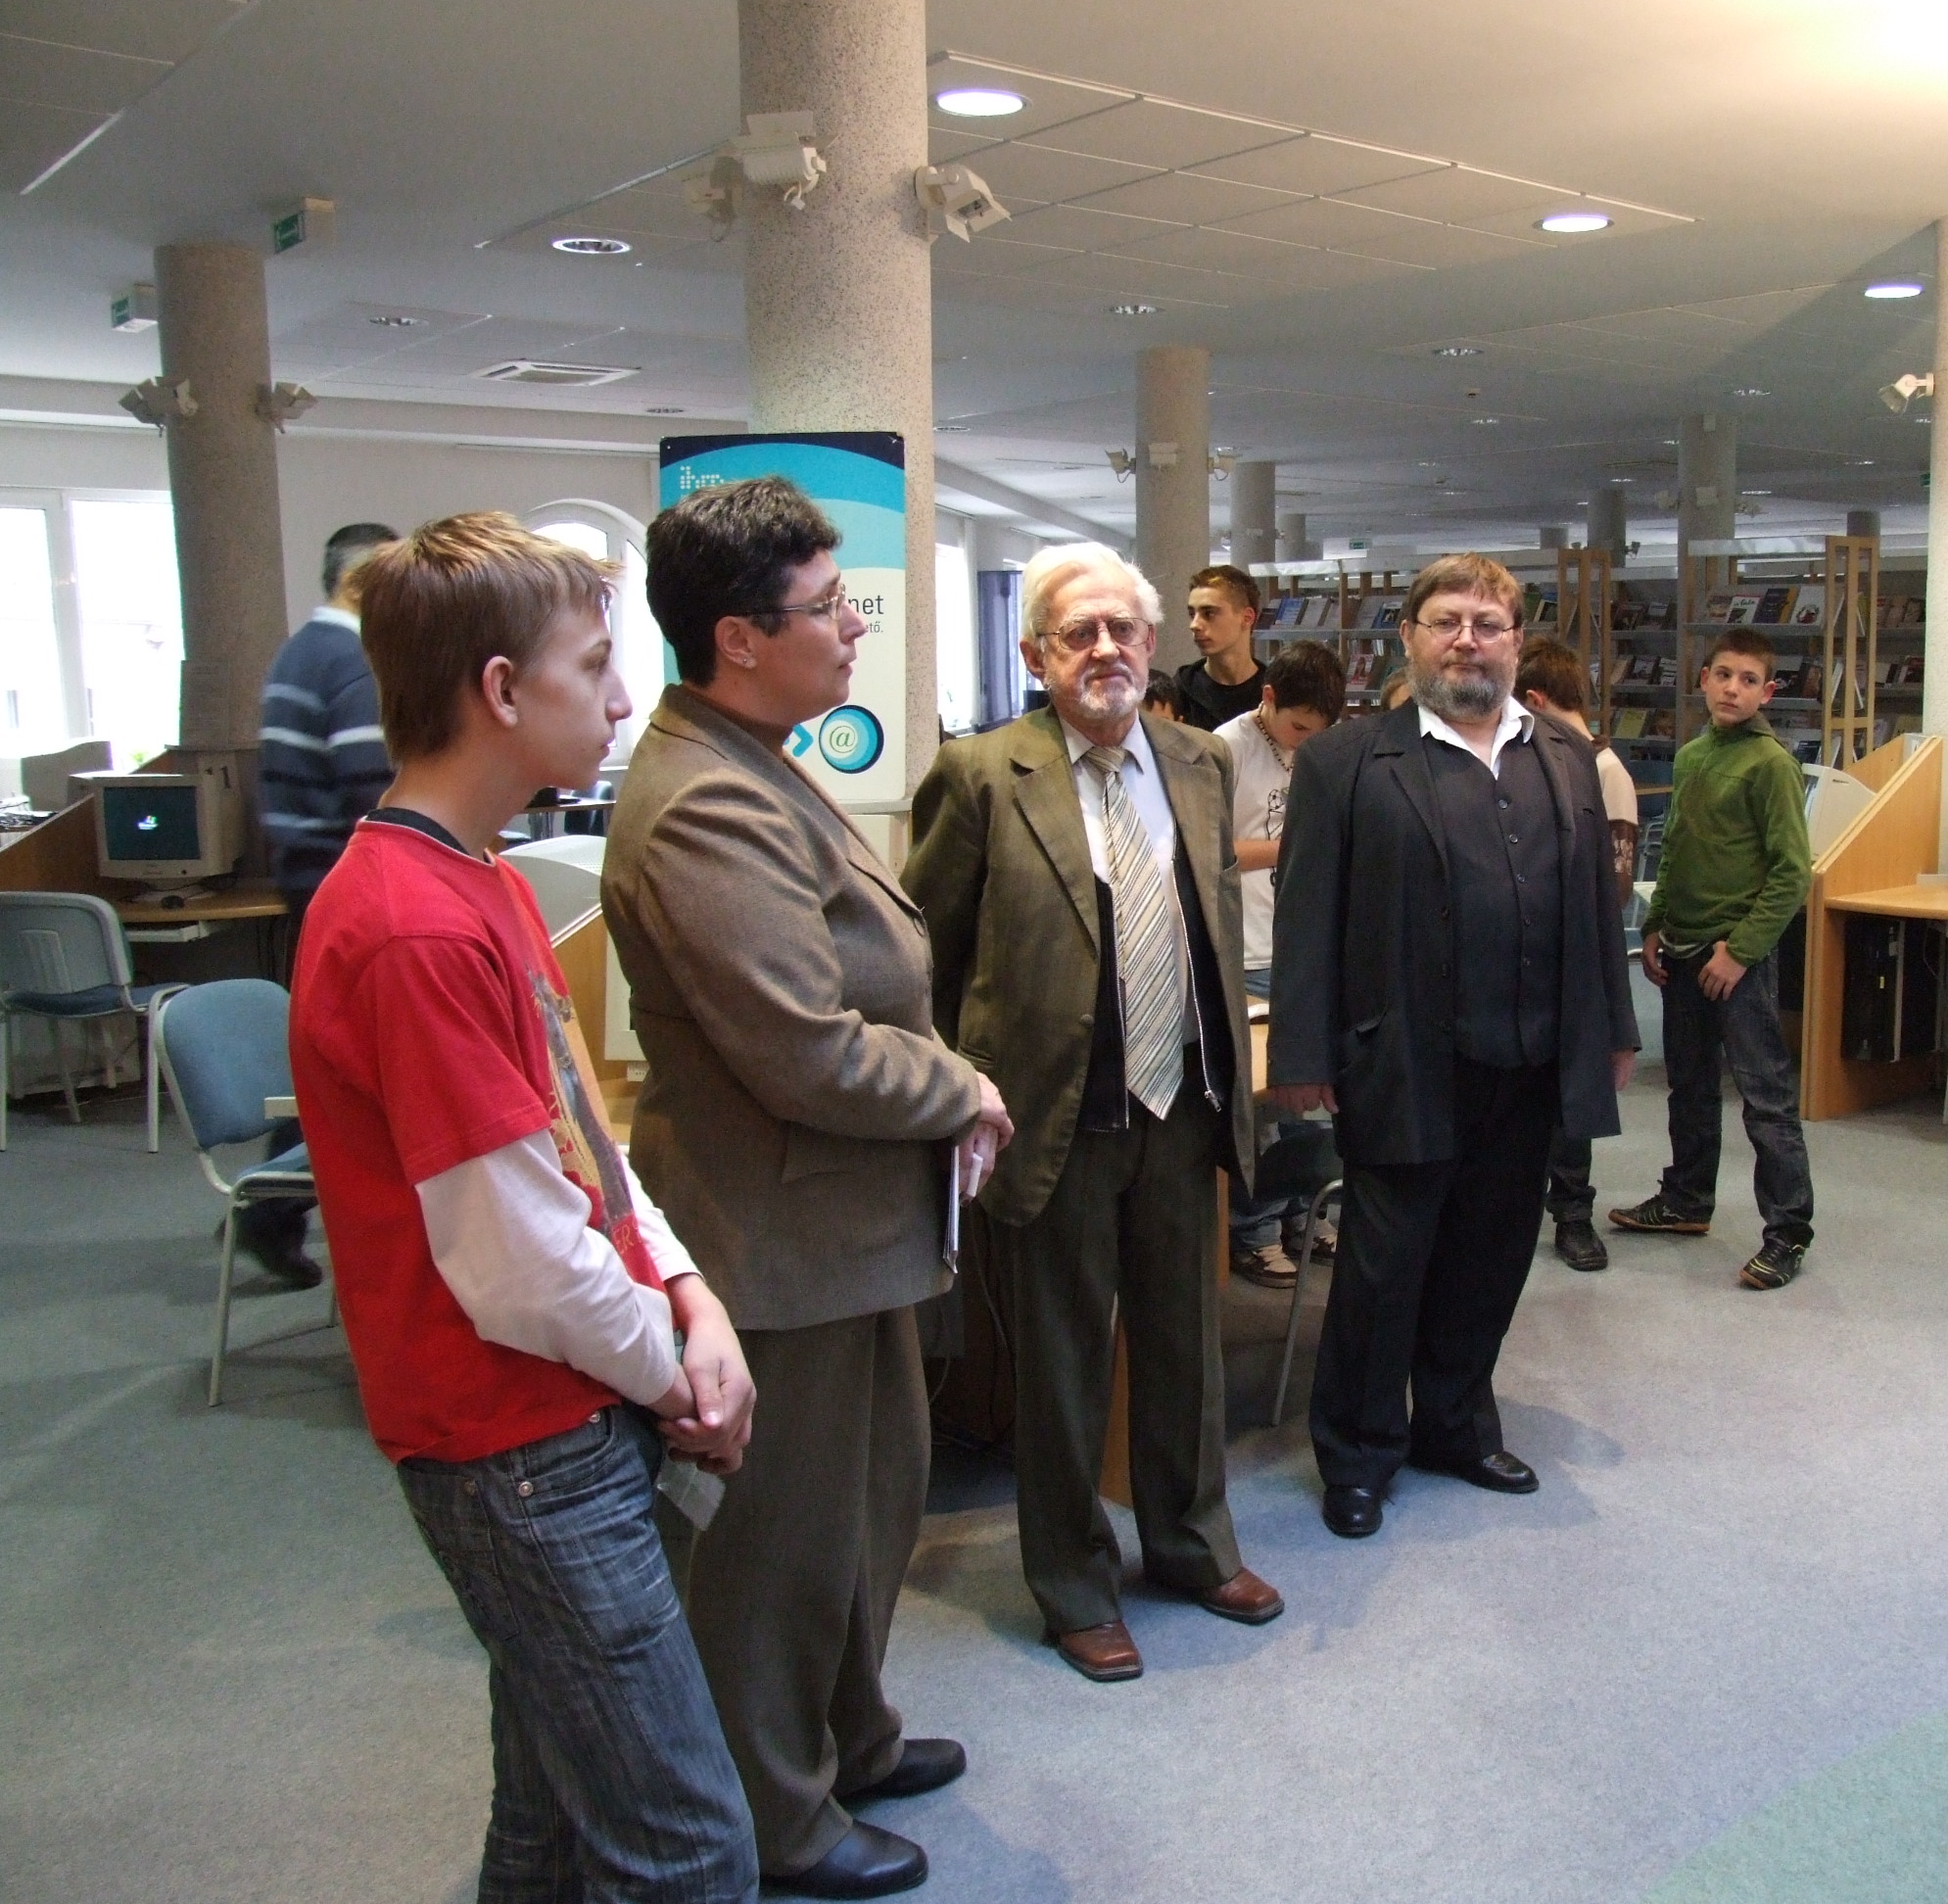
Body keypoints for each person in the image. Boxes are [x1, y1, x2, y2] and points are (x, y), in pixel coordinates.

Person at [287, 512, 759, 1903]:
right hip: (517, 1442)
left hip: (565, 1409)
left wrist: (692, 1296)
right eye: (593, 666)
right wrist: (681, 1374)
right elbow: (518, 1262)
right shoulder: (413, 924)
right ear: (500, 689)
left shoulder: (478, 876)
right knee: (689, 1852)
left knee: (554, 1824)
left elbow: (582, 1148)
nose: (620, 700)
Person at [605, 476, 1009, 1901]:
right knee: (776, 1548)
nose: (853, 628)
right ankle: (777, 1812)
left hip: (848, 1228)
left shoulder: (756, 756)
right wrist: (961, 1087)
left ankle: (849, 1737)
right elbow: (802, 1047)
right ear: (738, 638)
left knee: (867, 1508)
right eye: (828, 607)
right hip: (778, 1238)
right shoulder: (702, 801)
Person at [904, 542, 1284, 1684]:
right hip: (1055, 1117)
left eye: (1123, 629)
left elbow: (1212, 920)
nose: (1105, 649)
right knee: (1064, 1367)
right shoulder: (982, 774)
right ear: (1037, 655)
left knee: (1184, 1348)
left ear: (1152, 644)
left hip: (1183, 1104)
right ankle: (1074, 1586)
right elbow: (927, 955)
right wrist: (959, 1092)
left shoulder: (1197, 764)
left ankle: (1191, 1547)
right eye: (1079, 633)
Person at [1268, 554, 1639, 1541]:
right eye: (1446, 621)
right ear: (1409, 638)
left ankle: (1456, 1427)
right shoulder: (1346, 762)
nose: (1468, 639)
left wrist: (1614, 1028)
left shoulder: (1565, 754)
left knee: (1491, 1256)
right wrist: (1302, 1051)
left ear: (1517, 641)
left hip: (1530, 1060)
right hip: (1403, 1059)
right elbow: (1307, 913)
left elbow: (1596, 909)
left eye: (1488, 622)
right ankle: (1359, 1451)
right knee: (1384, 1271)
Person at [1608, 625, 1816, 1291]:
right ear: (1703, 680)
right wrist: (1656, 924)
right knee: (1689, 1088)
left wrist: (1742, 950)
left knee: (1765, 1099)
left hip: (1737, 958)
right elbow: (1677, 850)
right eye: (1723, 675)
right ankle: (1686, 1199)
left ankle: (1787, 1232)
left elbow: (1791, 873)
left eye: (1748, 680)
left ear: (1767, 692)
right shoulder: (1694, 755)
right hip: (1683, 947)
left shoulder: (1771, 765)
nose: (1733, 689)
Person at [244, 520, 397, 1287]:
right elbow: (378, 786)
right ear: (362, 584)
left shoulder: (298, 651)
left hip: (309, 878)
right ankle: (270, 1208)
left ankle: (269, 1205)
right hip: (350, 885)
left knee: (333, 1055)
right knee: (347, 1064)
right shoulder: (352, 661)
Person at [1215, 639, 1346, 1287]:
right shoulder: (1227, 749)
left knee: (1302, 1093)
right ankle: (1255, 1230)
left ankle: (1302, 1214)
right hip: (1245, 948)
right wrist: (1294, 846)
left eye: (1318, 733)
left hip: (1300, 947)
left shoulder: (1317, 751)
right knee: (1257, 1108)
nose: (1305, 742)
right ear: (1268, 699)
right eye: (1297, 728)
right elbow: (1209, 850)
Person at [1514, 638, 1641, 1273]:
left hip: (1578, 959)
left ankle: (1573, 1213)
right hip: (1527, 957)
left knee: (1573, 1101)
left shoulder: (1603, 769)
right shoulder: (1528, 761)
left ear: (1535, 701)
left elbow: (1613, 880)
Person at [1173, 563, 1265, 732]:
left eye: (1209, 613)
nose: (1194, 625)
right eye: (1192, 614)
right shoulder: (1181, 690)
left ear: (1247, 618)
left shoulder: (1275, 691)